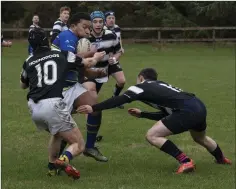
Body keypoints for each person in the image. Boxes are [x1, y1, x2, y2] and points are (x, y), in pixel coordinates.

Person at [78, 68, 232, 174]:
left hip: (187, 111)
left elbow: (119, 99)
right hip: (198, 105)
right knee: (200, 137)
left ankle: (185, 161)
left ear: (141, 77)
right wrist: (143, 114)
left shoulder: (141, 87)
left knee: (152, 135)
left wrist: (94, 107)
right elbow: (167, 114)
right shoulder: (161, 85)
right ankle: (221, 159)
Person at [20, 27, 88, 179]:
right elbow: (85, 62)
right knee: (79, 144)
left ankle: (51, 168)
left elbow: (23, 84)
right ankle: (63, 160)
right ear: (46, 40)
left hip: (34, 107)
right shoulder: (60, 54)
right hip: (52, 105)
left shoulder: (28, 60)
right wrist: (96, 56)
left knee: (57, 134)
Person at [51, 12, 109, 163]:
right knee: (63, 130)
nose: (87, 31)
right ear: (73, 26)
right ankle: (55, 163)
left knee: (95, 106)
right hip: (60, 89)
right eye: (85, 27)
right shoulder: (66, 36)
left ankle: (89, 147)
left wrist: (96, 74)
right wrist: (92, 54)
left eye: (89, 28)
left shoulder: (76, 39)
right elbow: (70, 58)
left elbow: (77, 67)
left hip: (72, 86)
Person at [104, 11, 126, 109]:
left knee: (121, 81)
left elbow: (119, 38)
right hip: (102, 61)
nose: (111, 20)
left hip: (113, 60)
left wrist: (121, 48)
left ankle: (115, 98)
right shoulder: (101, 29)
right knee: (95, 84)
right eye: (109, 18)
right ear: (105, 20)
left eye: (113, 18)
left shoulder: (117, 28)